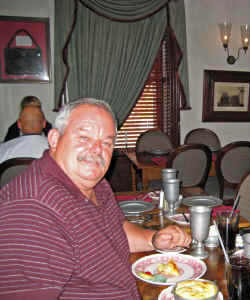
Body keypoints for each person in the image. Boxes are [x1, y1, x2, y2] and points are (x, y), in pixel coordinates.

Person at [0, 98, 191, 299]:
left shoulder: (96, 184)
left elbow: (115, 231)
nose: (97, 150)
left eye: (107, 142)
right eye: (84, 137)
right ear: (55, 139)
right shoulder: (31, 211)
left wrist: (154, 239)